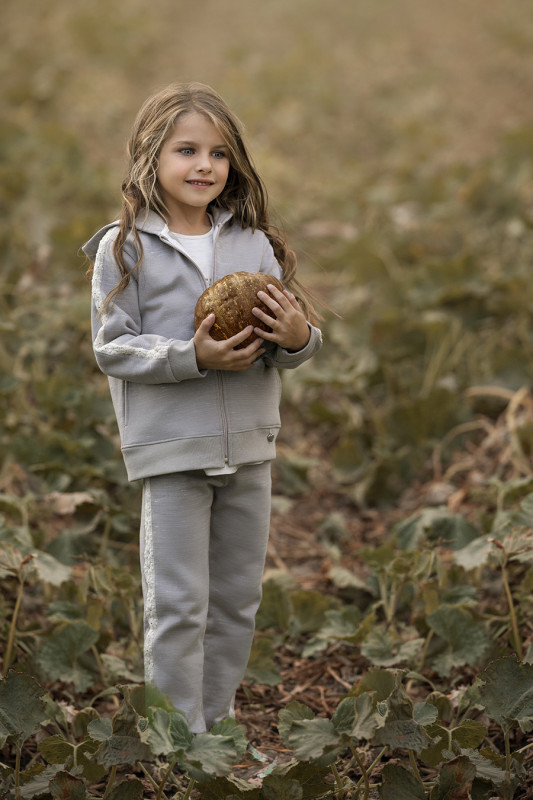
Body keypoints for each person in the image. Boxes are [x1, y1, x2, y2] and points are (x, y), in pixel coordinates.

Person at [83, 82, 322, 734]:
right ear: (150, 157)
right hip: (172, 452)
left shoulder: (252, 245)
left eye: (218, 153)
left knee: (238, 599)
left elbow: (286, 346)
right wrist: (192, 357)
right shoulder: (123, 247)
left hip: (248, 446)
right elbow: (113, 348)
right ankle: (174, 739)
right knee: (180, 604)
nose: (203, 166)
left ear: (233, 164)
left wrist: (298, 337)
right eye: (186, 149)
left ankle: (213, 727)